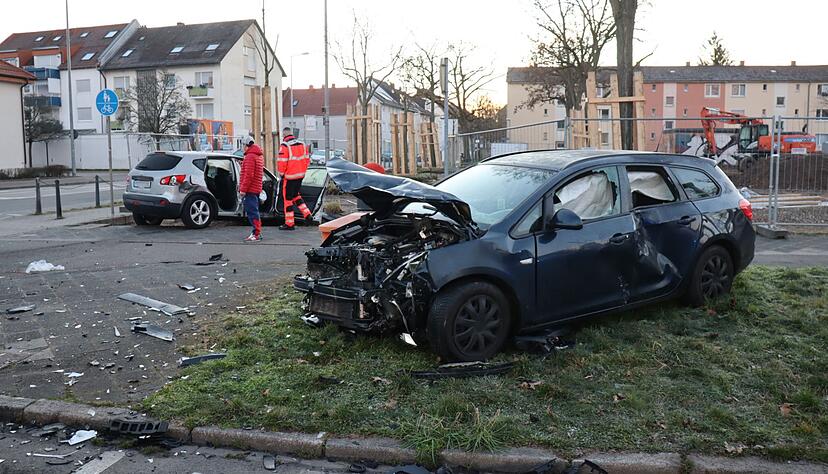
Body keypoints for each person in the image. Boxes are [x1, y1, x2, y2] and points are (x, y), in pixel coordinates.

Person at [277, 127, 311, 230]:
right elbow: (307, 160)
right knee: (296, 195)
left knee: (288, 199)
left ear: (284, 135)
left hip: (289, 177)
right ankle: (307, 214)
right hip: (300, 176)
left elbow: (282, 162)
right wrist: (302, 172)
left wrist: (282, 174)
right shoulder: (302, 144)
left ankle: (289, 223)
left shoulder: (285, 146)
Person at [239, 136, 264, 241]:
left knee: (252, 212)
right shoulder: (257, 156)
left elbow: (249, 175)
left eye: (243, 145)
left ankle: (256, 234)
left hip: (250, 189)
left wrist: (243, 189)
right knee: (254, 211)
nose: (242, 147)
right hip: (255, 188)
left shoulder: (250, 157)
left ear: (246, 145)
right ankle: (257, 232)